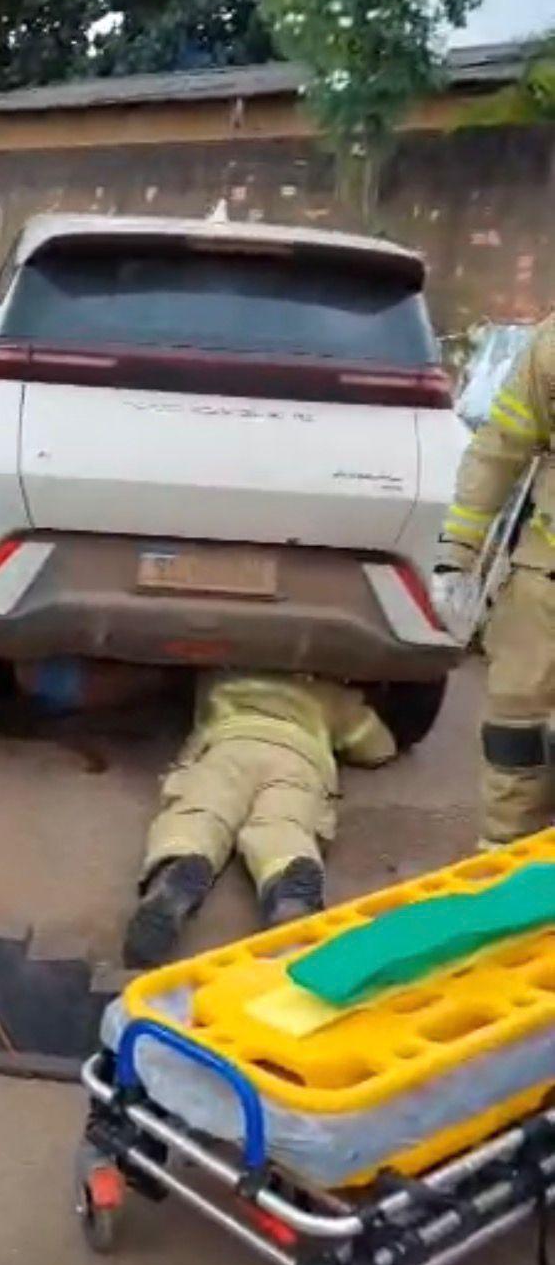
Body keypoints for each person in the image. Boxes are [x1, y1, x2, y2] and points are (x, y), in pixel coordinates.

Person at [122, 670, 396, 969]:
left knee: (200, 812)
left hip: (228, 746)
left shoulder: (221, 676)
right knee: (283, 824)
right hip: (298, 758)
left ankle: (177, 866)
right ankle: (286, 882)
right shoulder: (334, 696)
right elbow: (378, 748)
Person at [433, 322, 555, 845]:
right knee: (514, 727)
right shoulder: (552, 345)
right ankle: (503, 864)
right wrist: (456, 553)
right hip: (543, 575)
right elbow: (500, 446)